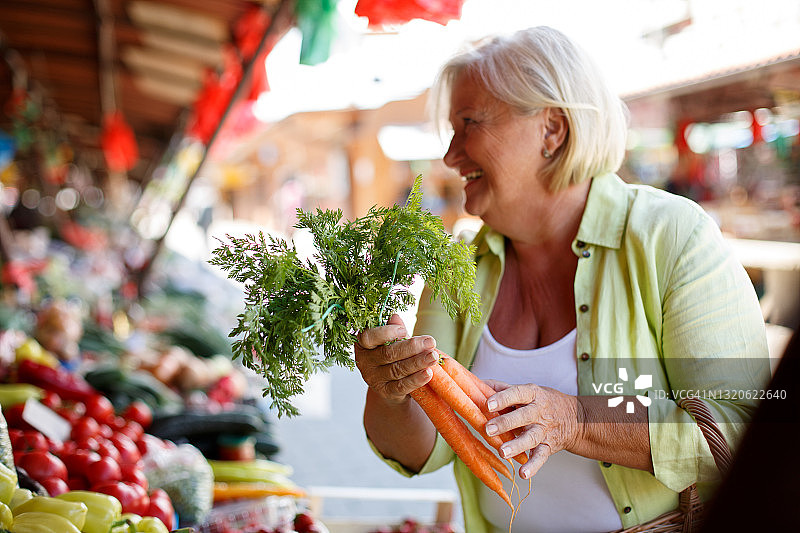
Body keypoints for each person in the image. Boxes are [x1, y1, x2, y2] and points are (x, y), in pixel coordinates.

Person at [354, 26, 771, 533]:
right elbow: (422, 451)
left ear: (552, 129)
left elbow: (741, 428)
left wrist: (574, 419)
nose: (450, 155)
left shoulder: (672, 236)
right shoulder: (460, 263)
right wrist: (391, 390)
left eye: (469, 123)